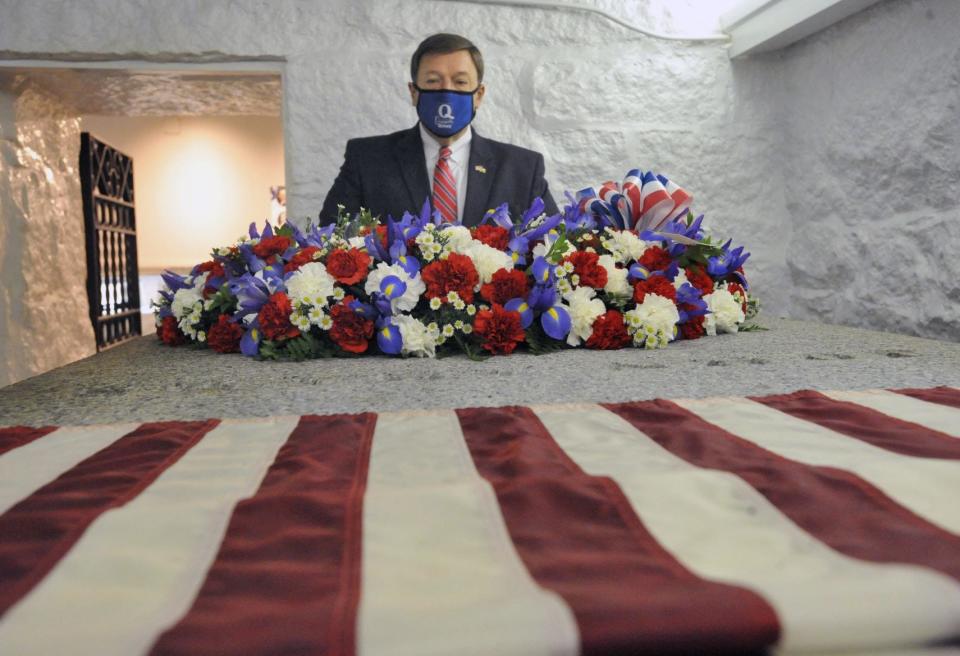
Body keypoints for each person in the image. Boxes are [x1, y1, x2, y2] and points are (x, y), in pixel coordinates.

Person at [319, 33, 558, 227]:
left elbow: (552, 247)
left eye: (460, 82)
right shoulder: (367, 159)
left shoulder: (523, 168)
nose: (446, 92)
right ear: (414, 92)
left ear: (479, 95)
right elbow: (331, 240)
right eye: (433, 81)